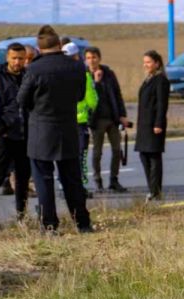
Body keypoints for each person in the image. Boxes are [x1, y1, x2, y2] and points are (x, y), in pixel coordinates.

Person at [18, 25, 92, 233]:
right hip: (68, 129)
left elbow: (21, 99)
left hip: (41, 131)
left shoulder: (34, 69)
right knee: (72, 180)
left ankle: (49, 225)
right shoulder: (76, 67)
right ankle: (83, 223)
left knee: (43, 180)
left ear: (39, 48)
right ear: (59, 45)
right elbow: (79, 96)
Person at [0, 43, 30, 229]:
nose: (17, 62)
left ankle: (21, 216)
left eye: (21, 58)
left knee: (22, 177)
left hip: (25, 135)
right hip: (4, 134)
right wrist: (1, 128)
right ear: (7, 58)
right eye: (14, 58)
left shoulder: (28, 76)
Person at [85, 46, 129, 192]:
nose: (92, 61)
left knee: (117, 150)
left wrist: (122, 114)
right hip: (96, 120)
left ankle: (114, 180)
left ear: (99, 58)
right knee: (97, 152)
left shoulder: (108, 74)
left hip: (112, 118)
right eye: (89, 58)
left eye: (94, 57)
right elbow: (89, 97)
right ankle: (98, 181)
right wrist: (96, 83)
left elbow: (117, 94)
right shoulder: (85, 75)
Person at [63, 42, 98, 199]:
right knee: (80, 157)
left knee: (64, 157)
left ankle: (65, 185)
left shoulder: (56, 74)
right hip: (80, 122)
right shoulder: (83, 75)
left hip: (62, 122)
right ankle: (80, 187)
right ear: (77, 56)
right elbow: (92, 100)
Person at [136, 50, 170, 202]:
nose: (146, 65)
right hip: (144, 124)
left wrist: (158, 123)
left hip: (154, 124)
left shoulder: (161, 80)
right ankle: (152, 188)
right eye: (144, 62)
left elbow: (162, 104)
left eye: (149, 62)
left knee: (154, 157)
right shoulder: (148, 79)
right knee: (144, 155)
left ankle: (155, 191)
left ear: (157, 63)